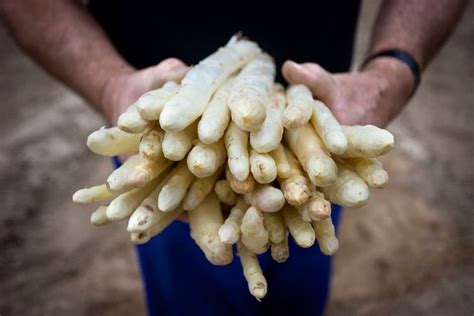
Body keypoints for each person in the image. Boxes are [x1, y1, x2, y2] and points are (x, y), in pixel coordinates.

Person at [0, 1, 466, 315]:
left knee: (299, 277)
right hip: (162, 145)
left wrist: (390, 72)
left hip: (320, 143)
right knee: (197, 293)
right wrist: (109, 84)